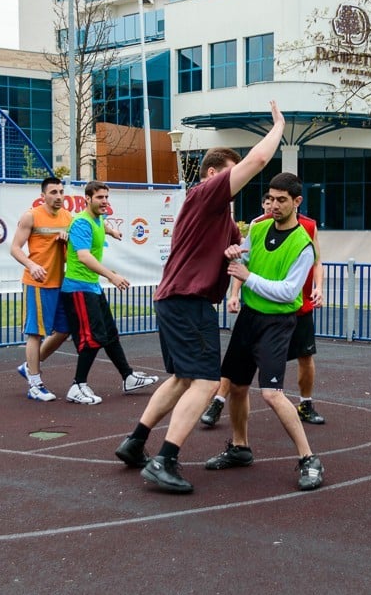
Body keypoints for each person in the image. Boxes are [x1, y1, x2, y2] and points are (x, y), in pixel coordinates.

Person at [114, 100, 286, 494]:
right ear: (213, 174)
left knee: (181, 379)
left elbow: (238, 250)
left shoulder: (222, 220)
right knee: (207, 382)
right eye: (230, 173)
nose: (236, 180)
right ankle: (165, 460)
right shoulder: (205, 194)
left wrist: (236, 253)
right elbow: (259, 160)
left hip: (175, 299)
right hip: (188, 302)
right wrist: (277, 126)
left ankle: (135, 442)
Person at [203, 172, 324, 490]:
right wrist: (234, 253)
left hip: (277, 322)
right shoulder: (257, 229)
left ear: (297, 202)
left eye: (282, 200)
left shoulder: (304, 246)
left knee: (271, 393)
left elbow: (288, 292)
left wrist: (247, 277)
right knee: (237, 387)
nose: (274, 205)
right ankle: (240, 448)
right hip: (249, 319)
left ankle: (308, 458)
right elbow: (244, 255)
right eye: (270, 198)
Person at [59, 180, 159, 404]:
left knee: (110, 334)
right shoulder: (81, 223)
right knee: (92, 338)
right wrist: (111, 276)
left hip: (92, 287)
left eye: (106, 197)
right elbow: (84, 257)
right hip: (78, 289)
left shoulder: (98, 219)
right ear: (87, 199)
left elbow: (102, 224)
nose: (105, 201)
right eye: (100, 198)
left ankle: (128, 377)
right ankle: (77, 385)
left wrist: (112, 231)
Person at [10, 177, 73, 402]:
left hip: (59, 283)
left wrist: (67, 243)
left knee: (64, 330)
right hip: (37, 283)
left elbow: (71, 254)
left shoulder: (67, 217)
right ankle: (35, 383)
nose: (58, 196)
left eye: (61, 192)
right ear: (43, 196)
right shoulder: (31, 215)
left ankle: (29, 367)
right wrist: (32, 264)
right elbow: (15, 248)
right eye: (53, 192)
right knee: (35, 333)